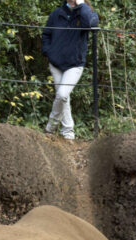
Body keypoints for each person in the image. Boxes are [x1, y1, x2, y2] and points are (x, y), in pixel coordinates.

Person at [42, 0, 99, 140]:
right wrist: (48, 51)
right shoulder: (57, 13)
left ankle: (50, 127)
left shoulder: (87, 13)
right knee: (63, 98)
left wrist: (82, 5)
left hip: (74, 64)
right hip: (56, 64)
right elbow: (46, 34)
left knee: (62, 94)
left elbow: (91, 25)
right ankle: (68, 134)